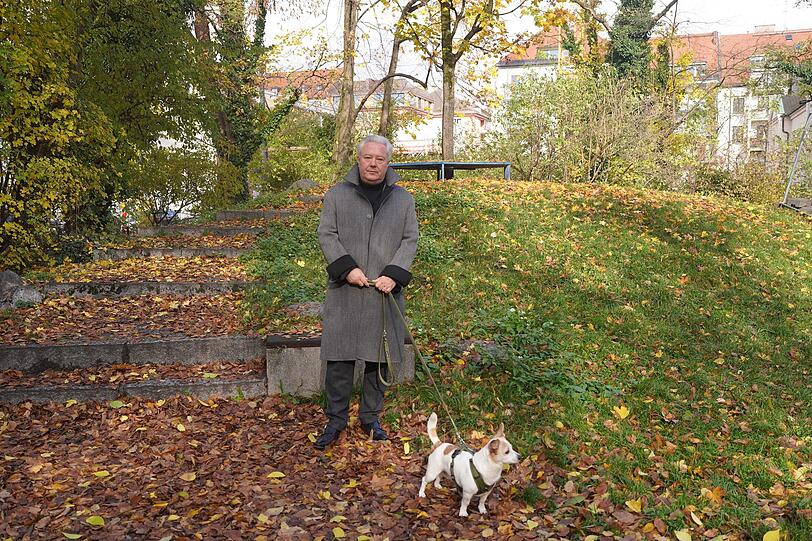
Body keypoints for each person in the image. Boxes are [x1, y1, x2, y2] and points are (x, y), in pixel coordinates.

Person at [314, 135, 419, 450]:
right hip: (346, 292)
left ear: (388, 163)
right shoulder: (336, 196)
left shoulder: (403, 200)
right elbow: (327, 234)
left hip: (384, 294)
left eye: (380, 159)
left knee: (379, 359)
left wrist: (393, 273)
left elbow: (410, 239)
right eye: (367, 158)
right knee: (340, 359)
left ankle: (370, 418)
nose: (373, 164)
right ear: (358, 159)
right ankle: (335, 421)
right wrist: (347, 268)